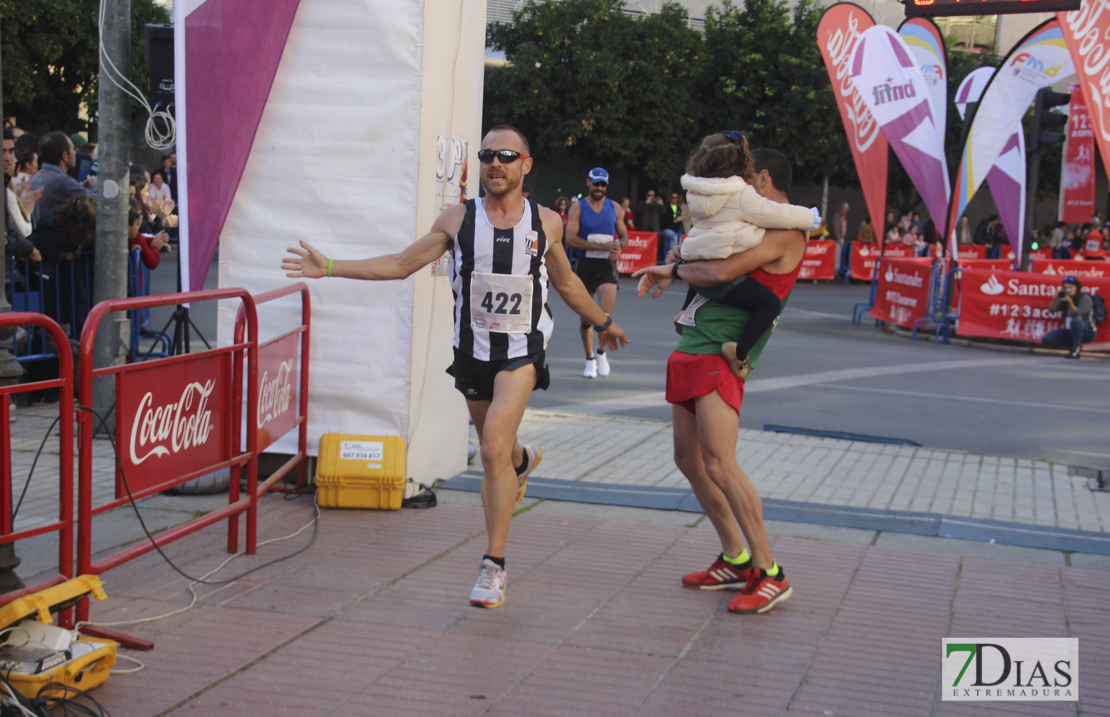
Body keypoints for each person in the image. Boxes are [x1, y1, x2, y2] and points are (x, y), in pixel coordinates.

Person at [283, 125, 629, 608]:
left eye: (506, 155)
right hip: (473, 352)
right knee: (500, 453)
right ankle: (521, 461)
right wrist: (333, 266)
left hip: (521, 351)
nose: (495, 163)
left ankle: (494, 566)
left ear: (525, 165)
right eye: (488, 154)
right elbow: (403, 264)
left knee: (488, 447)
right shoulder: (457, 219)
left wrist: (604, 321)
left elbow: (568, 284)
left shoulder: (545, 222)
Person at [633, 146, 804, 614]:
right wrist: (681, 262)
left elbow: (722, 270)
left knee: (721, 464)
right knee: (688, 459)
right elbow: (703, 262)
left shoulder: (786, 229)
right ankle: (736, 556)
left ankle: (770, 572)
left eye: (743, 182)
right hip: (694, 340)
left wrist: (674, 266)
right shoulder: (742, 224)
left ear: (763, 180)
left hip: (721, 352)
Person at [675, 131, 817, 378]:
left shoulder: (717, 200)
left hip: (699, 343)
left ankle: (684, 311)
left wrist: (677, 266)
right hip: (711, 349)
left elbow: (716, 264)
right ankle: (739, 352)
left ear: (763, 178)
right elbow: (722, 271)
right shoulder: (754, 212)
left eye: (745, 175)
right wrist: (811, 217)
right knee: (768, 304)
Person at [564, 167, 628, 378]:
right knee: (586, 319)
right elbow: (570, 239)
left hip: (606, 268)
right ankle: (589, 357)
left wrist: (618, 246)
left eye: (603, 185)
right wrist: (602, 247)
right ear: (588, 183)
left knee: (604, 317)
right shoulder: (578, 207)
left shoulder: (615, 207)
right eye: (596, 183)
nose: (599, 188)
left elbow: (624, 237)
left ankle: (601, 352)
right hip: (585, 266)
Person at [29, 131, 93, 224]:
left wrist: (80, 186)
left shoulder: (38, 176)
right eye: (73, 149)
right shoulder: (61, 181)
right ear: (65, 156)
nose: (75, 153)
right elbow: (96, 202)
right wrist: (95, 186)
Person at [1042, 275, 1097, 358]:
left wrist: (1070, 302)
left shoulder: (1085, 298)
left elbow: (1077, 313)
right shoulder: (1065, 298)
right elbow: (1052, 310)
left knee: (1076, 321)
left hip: (1087, 331)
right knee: (1047, 339)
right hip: (1069, 330)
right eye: (1066, 288)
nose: (1068, 290)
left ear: (1077, 288)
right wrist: (1055, 299)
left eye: (1070, 288)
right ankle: (1075, 343)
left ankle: (1076, 349)